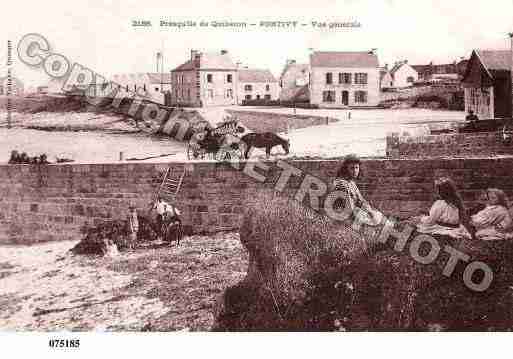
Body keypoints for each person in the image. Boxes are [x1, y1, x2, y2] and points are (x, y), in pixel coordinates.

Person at [331, 154, 384, 227]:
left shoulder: (351, 182)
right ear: (345, 169)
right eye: (352, 168)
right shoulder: (341, 185)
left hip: (354, 214)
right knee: (379, 223)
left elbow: (361, 201)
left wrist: (371, 212)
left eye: (357, 168)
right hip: (344, 219)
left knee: (379, 216)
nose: (355, 171)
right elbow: (349, 210)